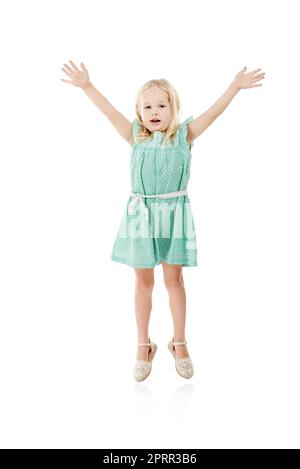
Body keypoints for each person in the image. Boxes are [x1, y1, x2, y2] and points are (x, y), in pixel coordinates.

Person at [61, 60, 265, 382]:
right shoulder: (135, 135)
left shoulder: (184, 136)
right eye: (147, 106)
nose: (154, 111)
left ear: (173, 109)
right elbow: (109, 111)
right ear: (140, 112)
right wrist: (87, 85)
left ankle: (179, 342)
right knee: (143, 283)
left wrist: (235, 87)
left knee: (174, 282)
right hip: (141, 218)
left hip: (174, 217)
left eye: (161, 105)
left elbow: (213, 113)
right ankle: (144, 345)